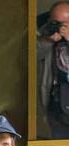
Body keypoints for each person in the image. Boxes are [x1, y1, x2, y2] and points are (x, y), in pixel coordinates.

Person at [37, 2, 69, 138]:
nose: (60, 27)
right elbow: (31, 55)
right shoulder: (43, 32)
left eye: (65, 23)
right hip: (56, 106)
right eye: (56, 22)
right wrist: (47, 41)